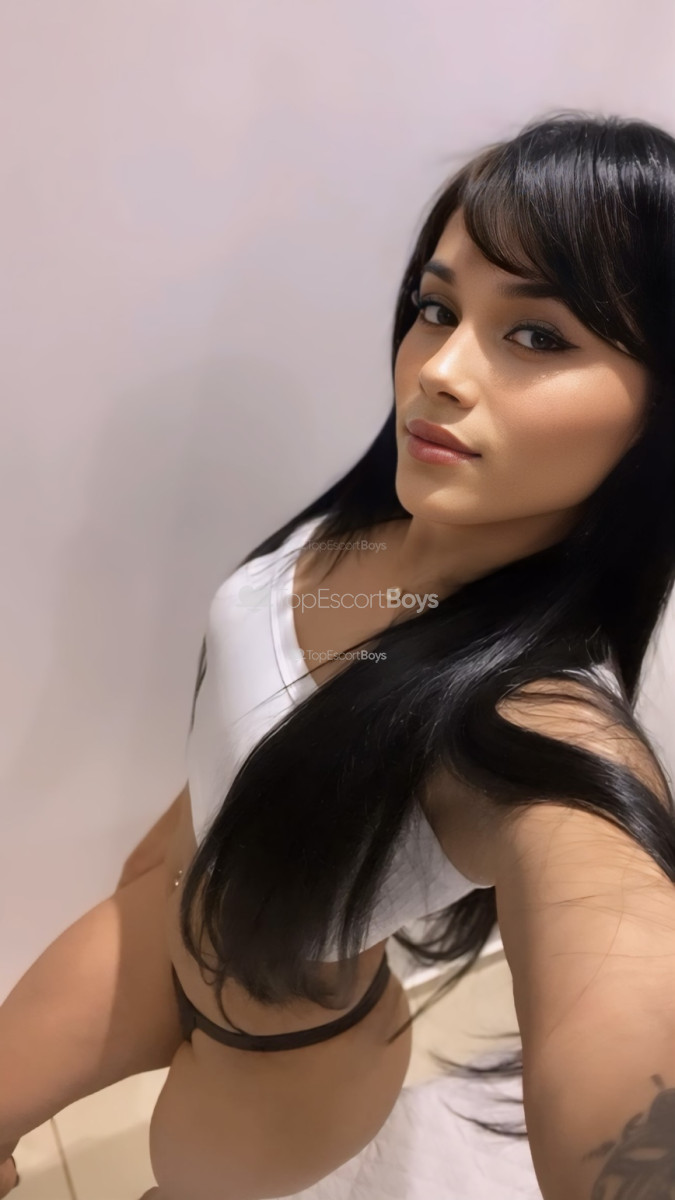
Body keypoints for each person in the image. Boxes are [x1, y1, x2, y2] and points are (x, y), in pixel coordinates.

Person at [2, 109, 675, 1200]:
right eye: (436, 309)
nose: (438, 369)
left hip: (275, 1067)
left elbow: (612, 934)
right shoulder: (371, 523)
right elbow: (254, 724)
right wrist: (158, 856)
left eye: (539, 336)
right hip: (152, 920)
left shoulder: (531, 715)